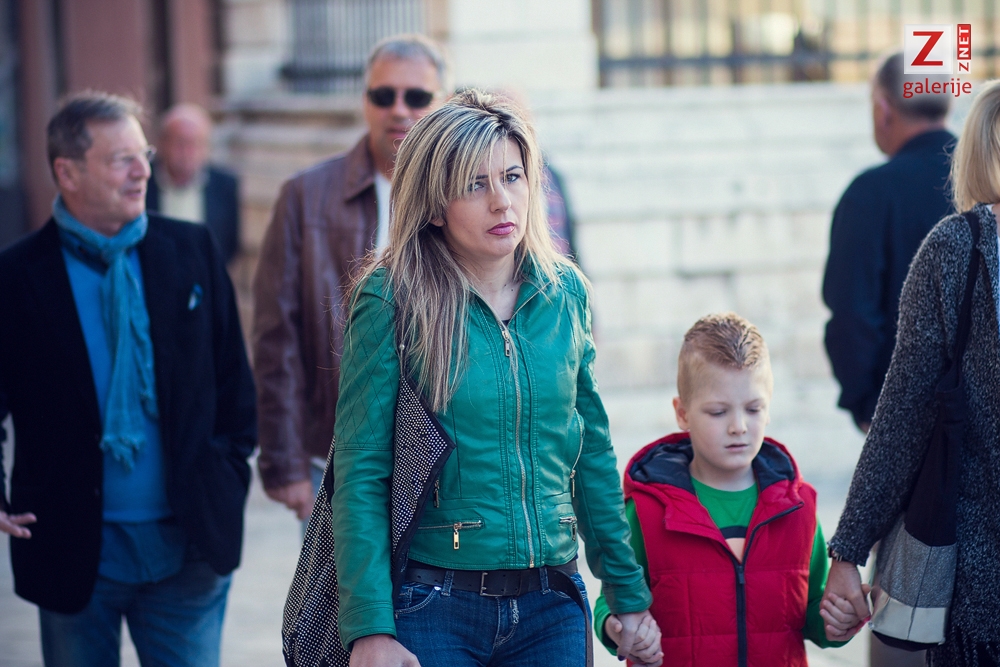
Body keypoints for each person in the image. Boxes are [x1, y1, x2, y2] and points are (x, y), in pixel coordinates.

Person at [330, 89, 658, 667]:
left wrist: (626, 595)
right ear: (435, 206)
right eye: (475, 184)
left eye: (512, 176)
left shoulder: (564, 294)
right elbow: (360, 471)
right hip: (433, 604)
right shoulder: (391, 299)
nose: (502, 201)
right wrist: (369, 627)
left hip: (551, 601)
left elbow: (591, 453)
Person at [0, 92, 256, 666]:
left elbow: (234, 385)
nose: (143, 170)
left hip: (188, 551)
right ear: (67, 172)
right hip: (71, 551)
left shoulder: (191, 248)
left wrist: (226, 477)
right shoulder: (17, 276)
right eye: (122, 160)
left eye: (144, 155)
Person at [824, 79, 1000, 666]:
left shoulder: (953, 246)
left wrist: (848, 554)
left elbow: (900, 414)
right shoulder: (955, 247)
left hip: (976, 589)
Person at [252, 34, 448, 522]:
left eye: (416, 96)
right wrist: (286, 462)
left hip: (446, 461)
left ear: (441, 102)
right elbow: (277, 338)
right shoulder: (305, 197)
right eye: (383, 95)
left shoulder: (464, 194)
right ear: (365, 102)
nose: (399, 110)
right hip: (336, 458)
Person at [593, 313, 861, 666]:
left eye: (753, 409)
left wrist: (838, 621)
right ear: (682, 413)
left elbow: (812, 611)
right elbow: (611, 599)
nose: (738, 426)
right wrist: (617, 627)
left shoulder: (800, 509)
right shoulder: (645, 512)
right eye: (718, 412)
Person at [823, 51, 955, 434]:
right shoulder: (988, 178)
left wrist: (867, 405)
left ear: (883, 110)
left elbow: (852, 313)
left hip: (907, 421)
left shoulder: (870, 194)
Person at [146, 103, 241, 263]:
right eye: (180, 143)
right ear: (162, 144)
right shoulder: (143, 180)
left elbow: (230, 244)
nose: (188, 152)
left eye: (196, 143)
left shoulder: (225, 184)